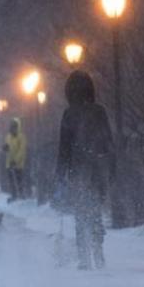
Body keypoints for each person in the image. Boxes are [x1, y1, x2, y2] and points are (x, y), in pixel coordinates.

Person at [55, 70, 115, 270]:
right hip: (97, 170)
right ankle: (99, 252)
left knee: (81, 213)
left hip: (77, 169)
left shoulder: (69, 113)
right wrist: (111, 167)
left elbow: (64, 147)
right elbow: (108, 142)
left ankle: (84, 258)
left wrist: (60, 174)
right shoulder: (99, 111)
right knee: (95, 211)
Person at [3, 118, 27, 202]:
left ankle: (21, 196)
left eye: (14, 127)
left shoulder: (21, 137)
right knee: (12, 182)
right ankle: (14, 196)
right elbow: (7, 147)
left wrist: (15, 161)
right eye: (11, 127)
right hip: (9, 163)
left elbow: (22, 151)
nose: (12, 128)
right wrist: (5, 148)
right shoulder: (8, 137)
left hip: (18, 165)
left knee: (19, 181)